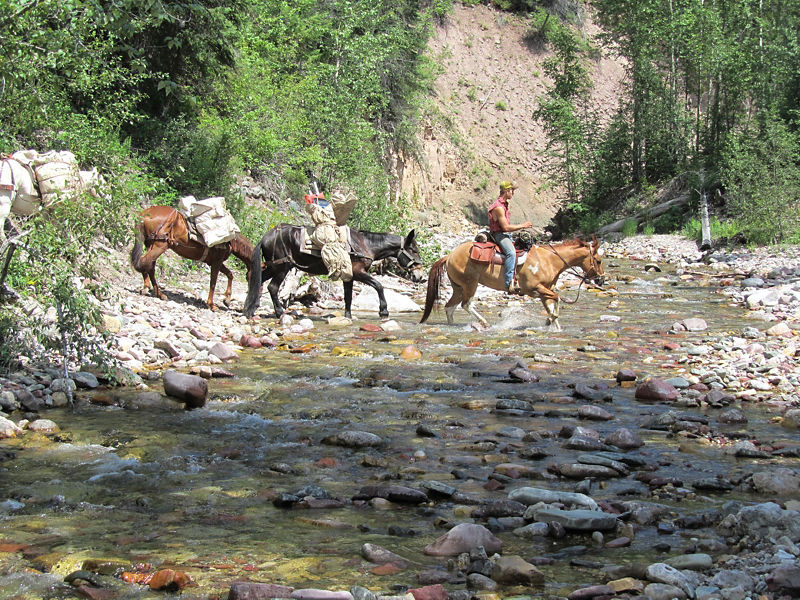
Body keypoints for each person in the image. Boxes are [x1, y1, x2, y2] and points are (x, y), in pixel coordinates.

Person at [488, 180, 531, 294]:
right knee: (511, 253)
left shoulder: (504, 205)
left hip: (504, 234)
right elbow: (505, 227)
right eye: (512, 190)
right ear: (506, 191)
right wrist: (523, 225)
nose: (513, 193)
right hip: (499, 234)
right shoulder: (499, 207)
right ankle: (508, 283)